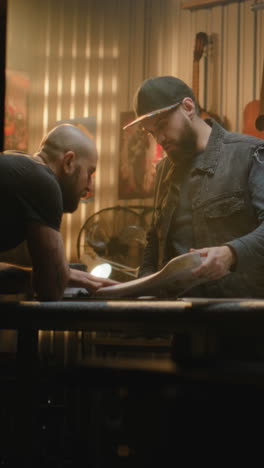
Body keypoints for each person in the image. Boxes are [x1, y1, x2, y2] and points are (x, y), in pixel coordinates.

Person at [123, 75, 264, 298]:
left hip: (243, 317)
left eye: (162, 125)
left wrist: (231, 253)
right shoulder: (163, 170)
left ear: (188, 107)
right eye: (151, 132)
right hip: (180, 320)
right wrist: (143, 289)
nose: (159, 139)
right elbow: (154, 237)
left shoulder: (249, 154)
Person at [0, 123, 117, 300]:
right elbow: (51, 291)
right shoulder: (42, 181)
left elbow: (47, 280)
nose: (89, 187)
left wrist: (59, 274)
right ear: (68, 162)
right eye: (90, 173)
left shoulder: (18, 166)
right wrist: (57, 275)